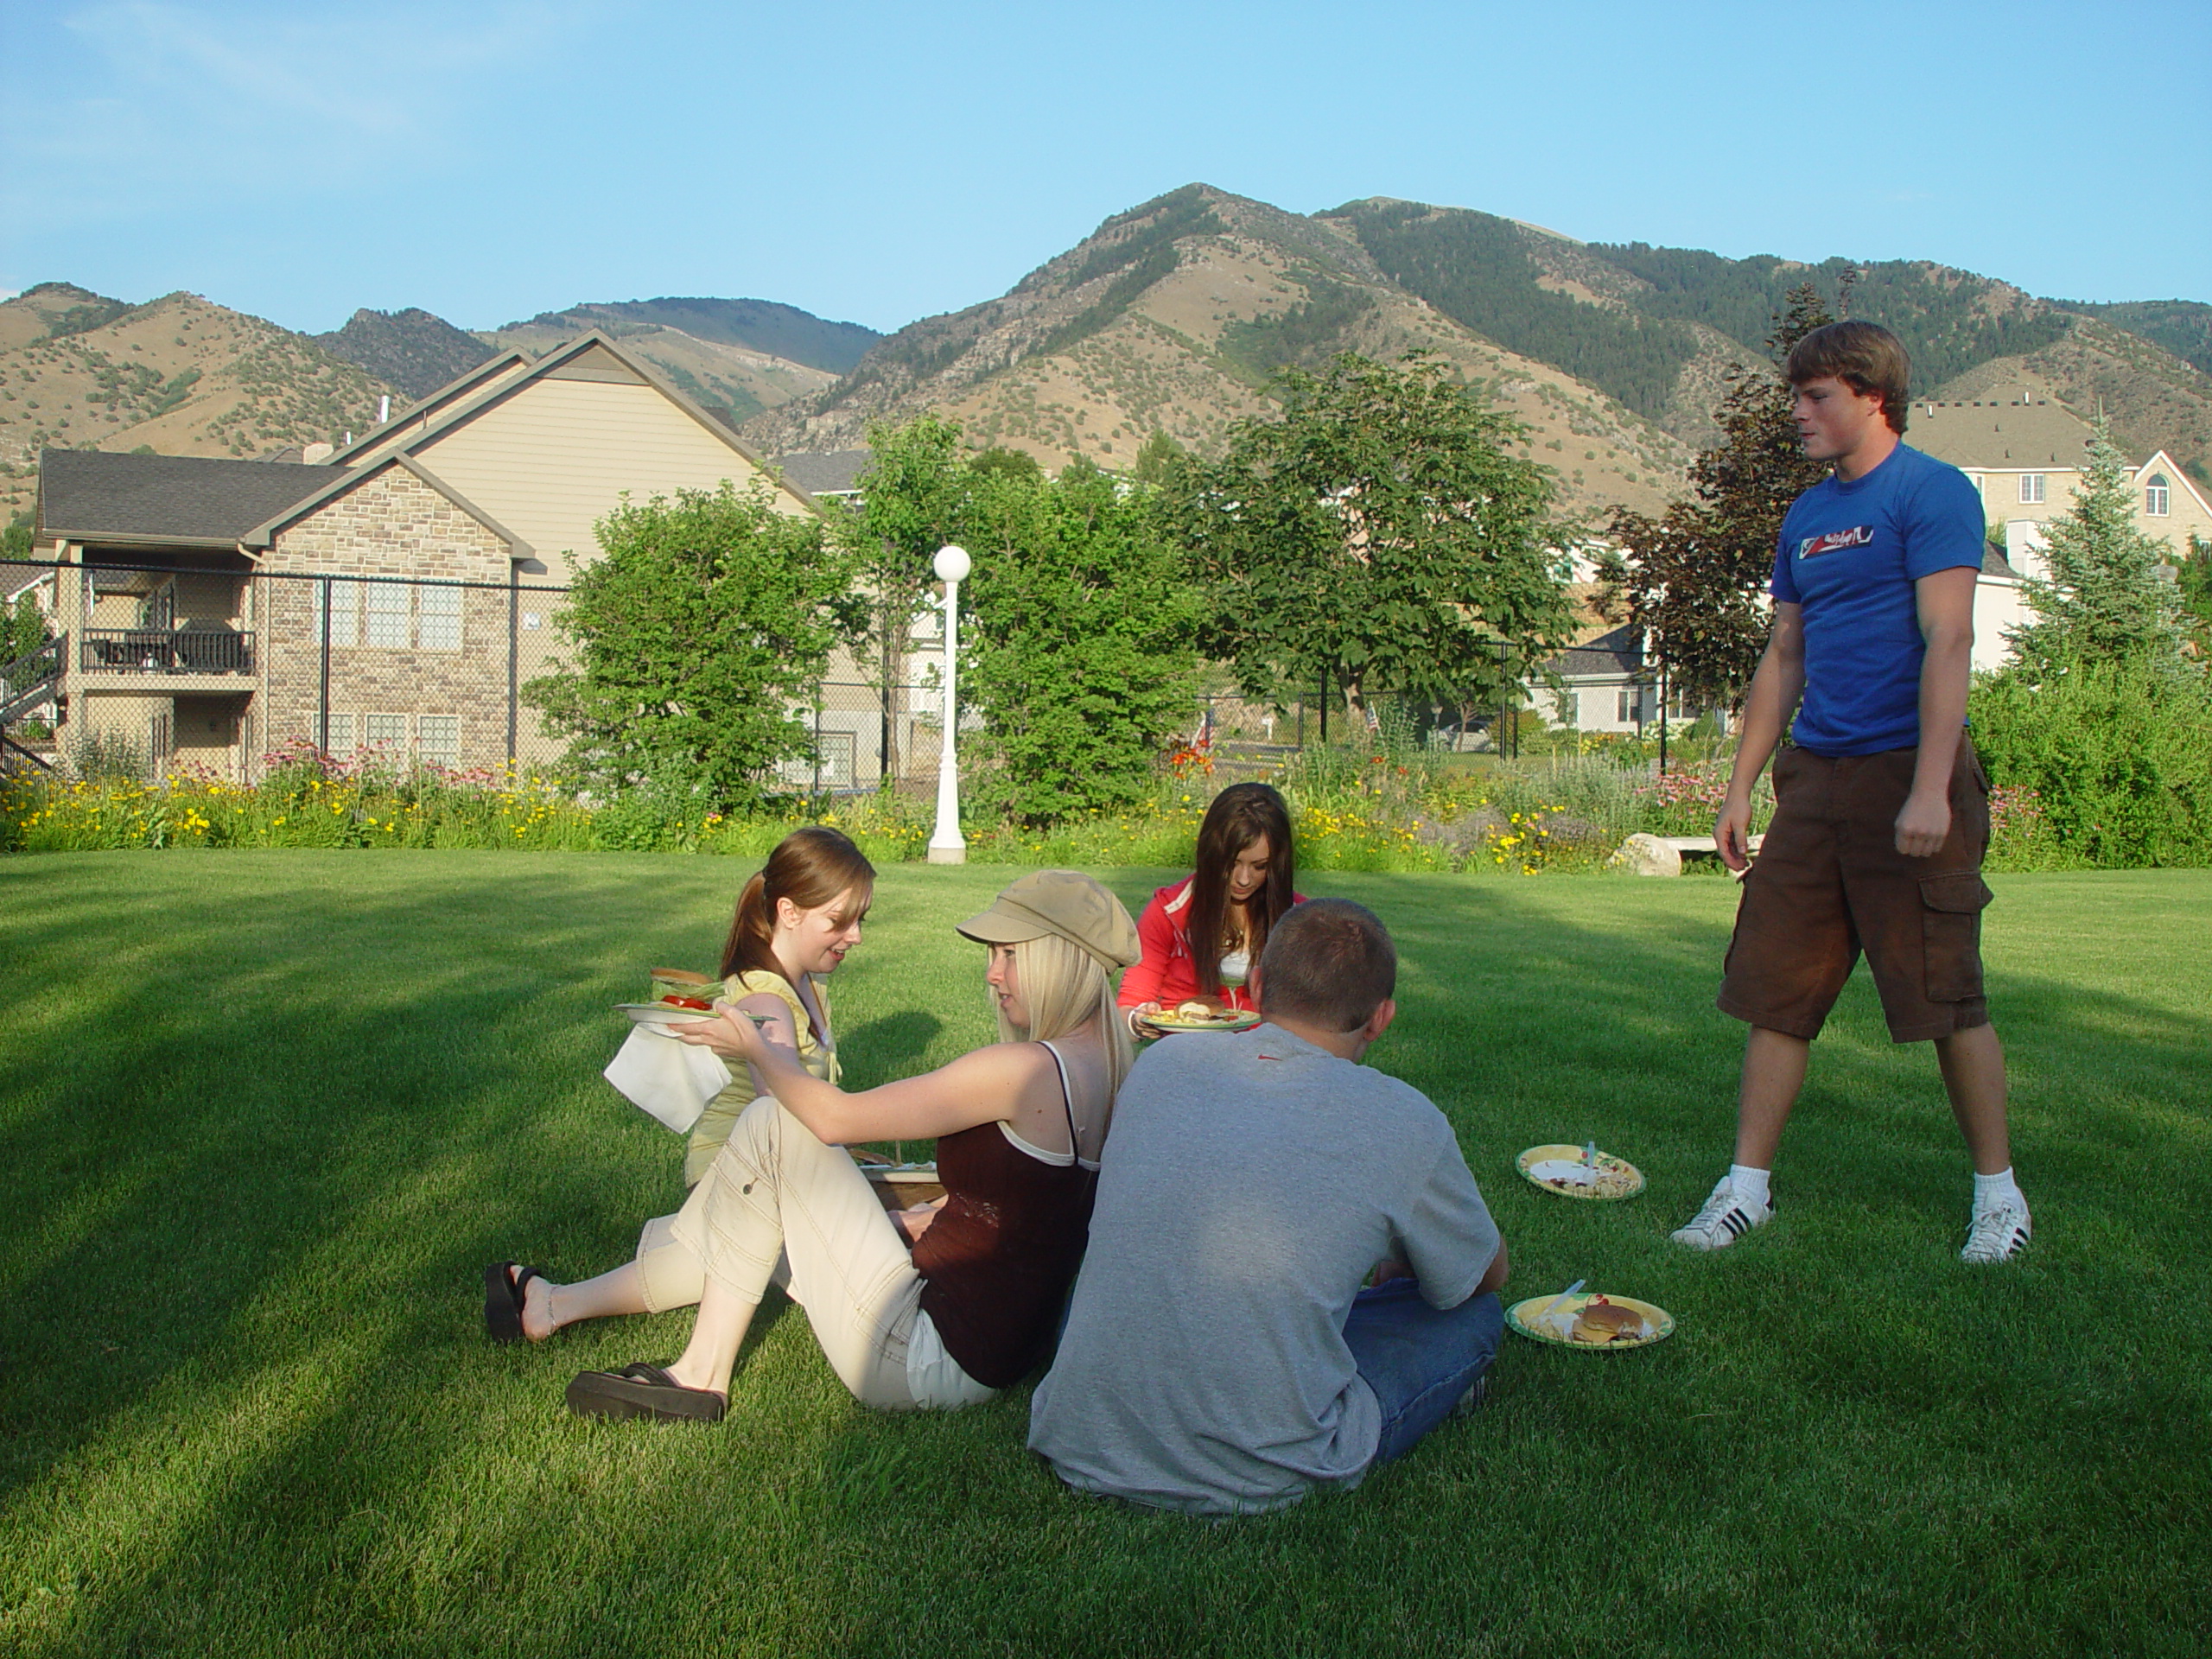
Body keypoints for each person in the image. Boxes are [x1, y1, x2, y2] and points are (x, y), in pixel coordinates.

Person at [1672, 319, 2029, 1264]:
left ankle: (1999, 1199)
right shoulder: (1804, 518)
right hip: (1815, 782)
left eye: (1814, 395)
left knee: (1944, 995)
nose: (1798, 412)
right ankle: (1744, 1190)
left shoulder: (1933, 492)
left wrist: (1929, 790)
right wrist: (1741, 784)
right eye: (1796, 394)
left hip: (1906, 771)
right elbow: (1782, 653)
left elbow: (1947, 638)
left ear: (1873, 396)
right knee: (1774, 991)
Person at [561, 869, 1141, 1422]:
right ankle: (550, 1304)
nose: (992, 973)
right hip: (998, 1351)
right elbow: (1039, 1206)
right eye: (993, 955)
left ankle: (699, 1373)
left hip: (922, 1358)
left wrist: (757, 1048)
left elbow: (835, 1120)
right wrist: (932, 1213)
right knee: (759, 1213)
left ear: (1060, 958)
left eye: (1010, 954)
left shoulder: (1022, 1070)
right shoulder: (1111, 1067)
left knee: (771, 1124)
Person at [1031, 899, 1509, 1515]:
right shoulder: (1406, 1118)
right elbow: (1480, 1279)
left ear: (1256, 986)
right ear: (1381, 1018)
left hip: (1080, 1438)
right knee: (1476, 1318)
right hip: (1262, 1471)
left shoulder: (1160, 1066)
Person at [482, 826, 873, 1344]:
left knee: (723, 1255)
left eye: (860, 919)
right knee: (773, 1254)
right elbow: (782, 1111)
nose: (856, 936)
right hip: (736, 1164)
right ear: (789, 911)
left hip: (760, 1164)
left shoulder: (808, 984)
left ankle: (551, 1302)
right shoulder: (766, 1002)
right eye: (840, 921)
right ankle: (553, 1303)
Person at [1118, 781, 1303, 1028]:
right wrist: (1138, 1020)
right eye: (1232, 864)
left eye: (1260, 867)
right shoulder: (1169, 911)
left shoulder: (1300, 918)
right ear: (1211, 854)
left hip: (1266, 1058)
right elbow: (1130, 1002)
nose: (1244, 879)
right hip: (1187, 1054)